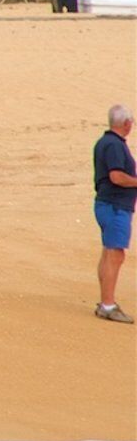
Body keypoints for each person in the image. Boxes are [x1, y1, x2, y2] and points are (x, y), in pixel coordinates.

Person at [96, 105, 133, 324]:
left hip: (108, 204)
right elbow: (117, 177)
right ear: (126, 123)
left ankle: (106, 302)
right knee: (115, 254)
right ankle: (108, 305)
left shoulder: (106, 142)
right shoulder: (114, 145)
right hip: (114, 205)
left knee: (109, 253)